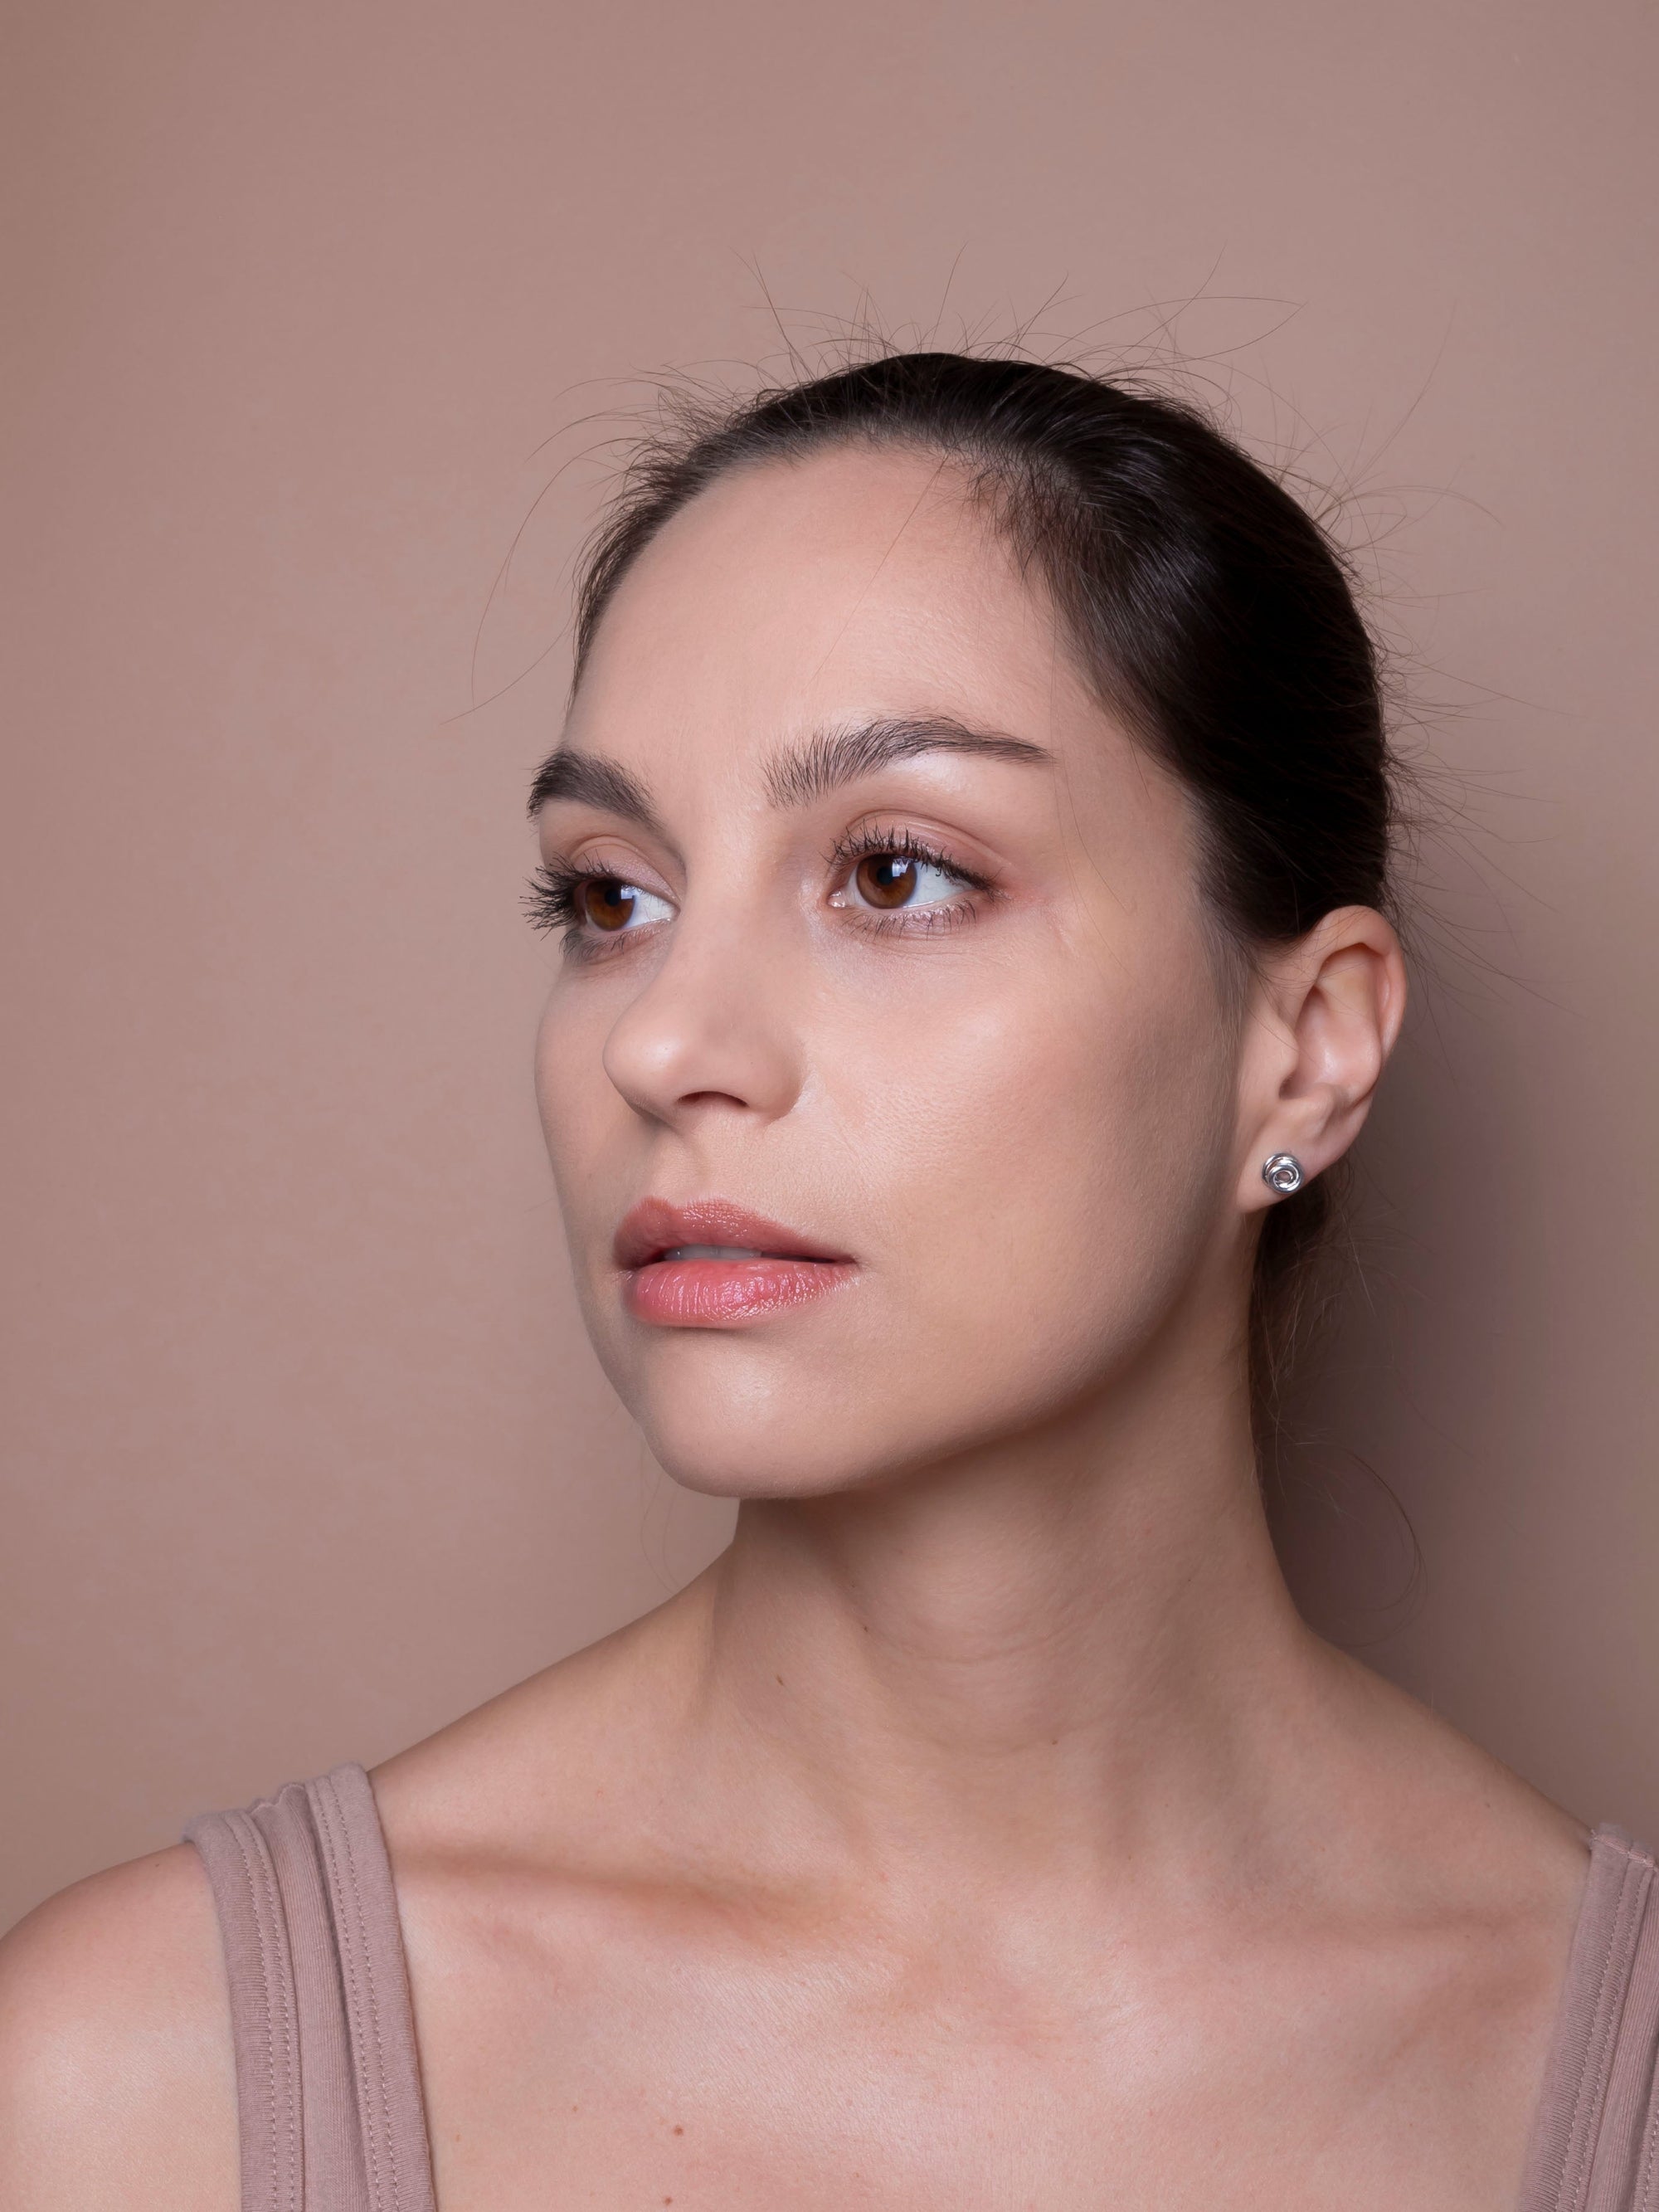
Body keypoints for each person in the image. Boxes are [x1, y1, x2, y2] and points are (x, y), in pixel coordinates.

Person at [2, 351, 1653, 2211]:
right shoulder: (148, 2080)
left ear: (1309, 1047)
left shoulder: (1591, 2073)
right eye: (610, 896)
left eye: (892, 872)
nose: (668, 1043)